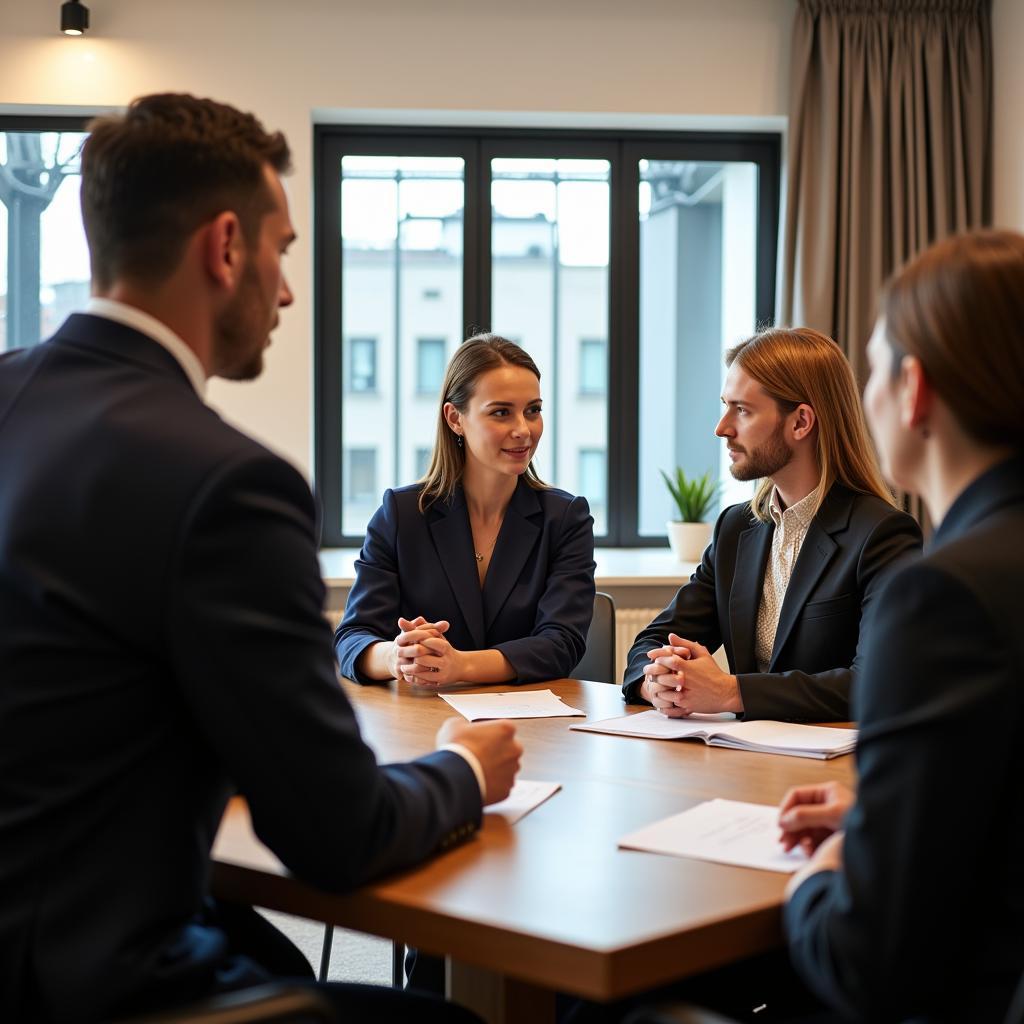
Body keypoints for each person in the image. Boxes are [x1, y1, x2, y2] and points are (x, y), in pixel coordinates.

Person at [0, 93, 523, 1024]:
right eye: (282, 252)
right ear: (226, 245)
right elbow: (337, 836)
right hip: (96, 981)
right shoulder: (229, 485)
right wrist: (462, 772)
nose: (286, 291)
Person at [779, 229, 1024, 1021]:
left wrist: (824, 869)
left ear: (913, 391)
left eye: (875, 368)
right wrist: (892, 814)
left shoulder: (941, 597)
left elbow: (868, 965)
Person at [622, 327, 921, 722]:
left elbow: (879, 681)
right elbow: (652, 641)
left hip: (830, 768)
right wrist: (659, 682)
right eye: (725, 405)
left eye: (742, 410)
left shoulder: (882, 535)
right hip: (741, 755)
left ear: (800, 423)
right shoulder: (736, 528)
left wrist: (730, 692)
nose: (722, 427)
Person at [335, 334, 596, 689]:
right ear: (455, 418)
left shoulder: (566, 518)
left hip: (531, 725)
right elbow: (352, 637)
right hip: (420, 721)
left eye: (532, 410)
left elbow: (561, 643)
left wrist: (460, 666)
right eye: (501, 412)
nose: (523, 430)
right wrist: (397, 656)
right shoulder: (401, 514)